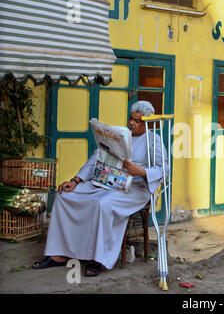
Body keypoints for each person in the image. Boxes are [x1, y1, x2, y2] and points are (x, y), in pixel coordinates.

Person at [32, 100, 169, 276]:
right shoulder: (120, 135)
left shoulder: (154, 141)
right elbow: (97, 157)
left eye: (138, 121)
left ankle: (97, 258)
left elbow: (164, 168)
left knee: (102, 204)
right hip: (107, 181)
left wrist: (142, 172)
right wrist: (76, 180)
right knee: (64, 196)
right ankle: (59, 254)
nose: (132, 123)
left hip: (135, 189)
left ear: (147, 122)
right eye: (131, 119)